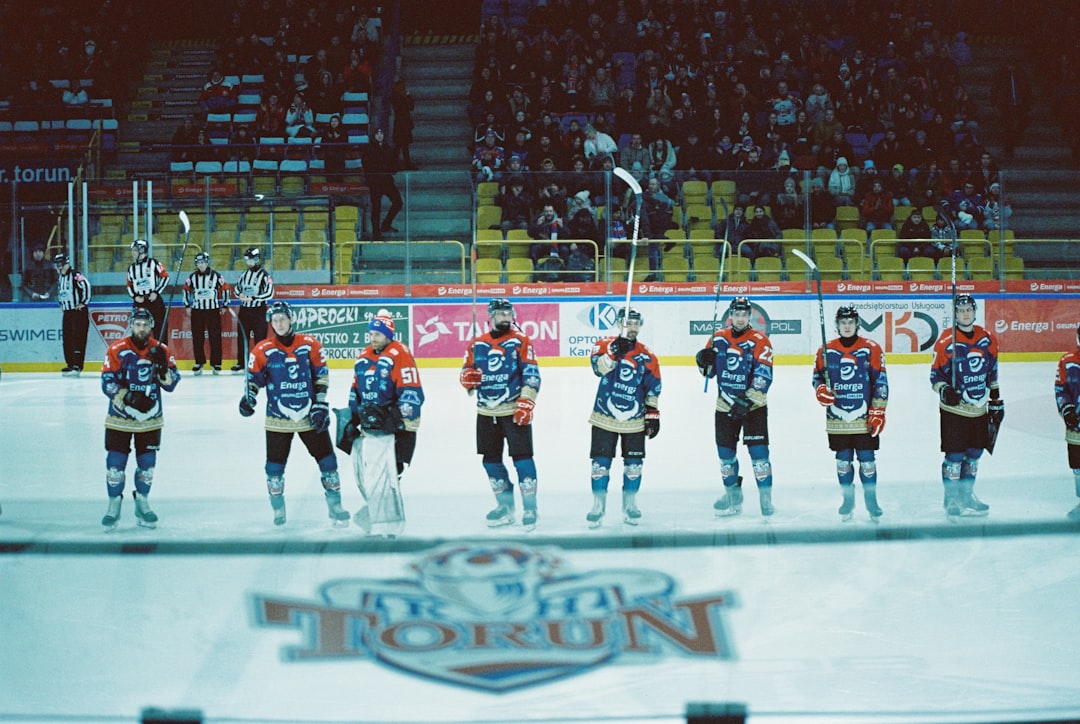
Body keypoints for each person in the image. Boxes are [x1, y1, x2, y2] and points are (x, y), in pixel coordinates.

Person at [238, 301, 348, 527]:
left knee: (328, 461)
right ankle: (278, 510)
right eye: (274, 320)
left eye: (282, 319)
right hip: (278, 418)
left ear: (291, 319)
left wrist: (320, 403)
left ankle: (335, 507)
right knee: (274, 468)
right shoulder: (262, 350)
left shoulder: (310, 345)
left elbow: (322, 376)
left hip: (310, 414)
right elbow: (254, 381)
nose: (278, 323)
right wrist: (248, 399)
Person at [459, 298, 541, 530]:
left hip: (514, 409)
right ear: (491, 316)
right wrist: (467, 380)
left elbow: (532, 374)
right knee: (490, 461)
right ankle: (505, 505)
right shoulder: (477, 345)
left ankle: (530, 507)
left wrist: (526, 402)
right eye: (502, 314)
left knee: (522, 458)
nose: (507, 318)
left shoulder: (520, 341)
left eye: (509, 314)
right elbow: (467, 374)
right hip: (486, 412)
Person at [99, 308, 180, 530]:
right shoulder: (117, 349)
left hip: (151, 418)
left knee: (147, 466)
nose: (141, 328)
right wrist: (129, 397)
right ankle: (113, 504)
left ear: (151, 326)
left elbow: (172, 383)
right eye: (137, 324)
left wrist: (163, 369)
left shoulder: (161, 349)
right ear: (131, 325)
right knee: (115, 464)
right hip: (120, 417)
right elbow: (106, 380)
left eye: (145, 325)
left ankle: (142, 502)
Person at [695, 296, 776, 517]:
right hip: (725, 406)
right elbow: (708, 374)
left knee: (759, 455)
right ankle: (733, 495)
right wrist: (703, 360)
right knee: (725, 456)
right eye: (736, 314)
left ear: (750, 315)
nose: (740, 319)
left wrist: (747, 400)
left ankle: (766, 498)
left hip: (753, 407)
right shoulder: (717, 339)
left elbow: (764, 374)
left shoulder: (760, 340)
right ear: (730, 315)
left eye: (744, 314)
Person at [347, 310, 424, 533]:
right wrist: (352, 417)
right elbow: (356, 388)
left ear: (389, 335)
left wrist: (397, 417)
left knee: (392, 472)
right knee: (375, 473)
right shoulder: (364, 356)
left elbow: (411, 389)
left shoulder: (400, 353)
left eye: (377, 335)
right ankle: (380, 515)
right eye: (371, 334)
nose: (373, 338)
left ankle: (382, 518)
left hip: (398, 426)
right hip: (373, 426)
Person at [585, 307, 662, 528]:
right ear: (619, 324)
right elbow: (598, 369)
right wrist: (612, 354)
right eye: (628, 323)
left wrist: (652, 414)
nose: (633, 327)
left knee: (634, 466)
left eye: (636, 323)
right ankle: (598, 505)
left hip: (634, 419)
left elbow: (653, 387)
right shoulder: (604, 345)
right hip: (604, 416)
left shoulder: (647, 355)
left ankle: (630, 504)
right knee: (600, 465)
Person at [930, 295, 1004, 518]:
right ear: (955, 313)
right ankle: (952, 498)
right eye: (961, 310)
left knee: (974, 454)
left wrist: (995, 398)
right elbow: (935, 376)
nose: (965, 314)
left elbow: (992, 370)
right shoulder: (945, 340)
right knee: (954, 455)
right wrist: (944, 390)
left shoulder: (987, 338)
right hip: (954, 411)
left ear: (974, 311)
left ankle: (967, 495)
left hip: (979, 408)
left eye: (968, 310)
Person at [812, 306, 889, 521]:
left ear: (857, 324)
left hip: (863, 417)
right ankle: (848, 500)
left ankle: (871, 501)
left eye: (851, 322)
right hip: (838, 419)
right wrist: (820, 390)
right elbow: (817, 377)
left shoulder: (871, 348)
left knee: (867, 460)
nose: (847, 326)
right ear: (837, 325)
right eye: (843, 322)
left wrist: (878, 411)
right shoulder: (825, 350)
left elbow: (881, 381)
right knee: (843, 460)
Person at [183, 252, 230, 375]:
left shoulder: (216, 276)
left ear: (207, 263)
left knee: (215, 337)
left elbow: (225, 289)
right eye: (199, 263)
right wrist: (187, 305)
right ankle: (199, 362)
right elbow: (186, 290)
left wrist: (225, 305)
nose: (201, 265)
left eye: (203, 262)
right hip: (197, 311)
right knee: (197, 338)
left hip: (212, 311)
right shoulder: (192, 277)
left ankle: (216, 364)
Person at [232, 247, 274, 373]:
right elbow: (236, 289)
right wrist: (240, 295)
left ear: (256, 259)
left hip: (258, 310)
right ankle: (241, 363)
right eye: (246, 260)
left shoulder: (264, 275)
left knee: (260, 338)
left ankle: (260, 364)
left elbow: (270, 293)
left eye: (250, 259)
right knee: (242, 337)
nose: (248, 262)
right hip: (244, 310)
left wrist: (255, 297)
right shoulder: (244, 274)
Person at [1053, 328, 1080, 521]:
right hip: (1077, 428)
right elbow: (1060, 390)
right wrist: (1067, 409)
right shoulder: (1068, 361)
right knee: (1078, 465)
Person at [52, 252, 91, 376]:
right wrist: (61, 304)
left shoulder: (75, 275)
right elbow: (61, 291)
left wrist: (83, 302)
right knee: (67, 338)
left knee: (78, 338)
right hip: (67, 312)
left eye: (62, 264)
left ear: (67, 263)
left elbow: (86, 286)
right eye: (58, 265)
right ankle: (70, 363)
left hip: (77, 312)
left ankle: (77, 365)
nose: (60, 267)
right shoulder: (61, 277)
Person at [361, 127, 403, 239]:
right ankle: (376, 232)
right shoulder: (369, 149)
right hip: (375, 182)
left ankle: (386, 224)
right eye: (377, 133)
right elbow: (367, 164)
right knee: (376, 207)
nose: (379, 135)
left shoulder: (388, 148)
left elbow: (393, 164)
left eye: (381, 133)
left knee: (398, 202)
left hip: (387, 181)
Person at [125, 239, 169, 342]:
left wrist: (156, 292)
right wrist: (135, 297)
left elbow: (165, 277)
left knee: (160, 331)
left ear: (142, 250)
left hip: (154, 301)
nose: (132, 252)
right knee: (139, 331)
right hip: (139, 302)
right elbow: (129, 284)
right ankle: (140, 356)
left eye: (135, 250)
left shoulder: (154, 263)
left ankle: (160, 356)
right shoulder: (131, 268)